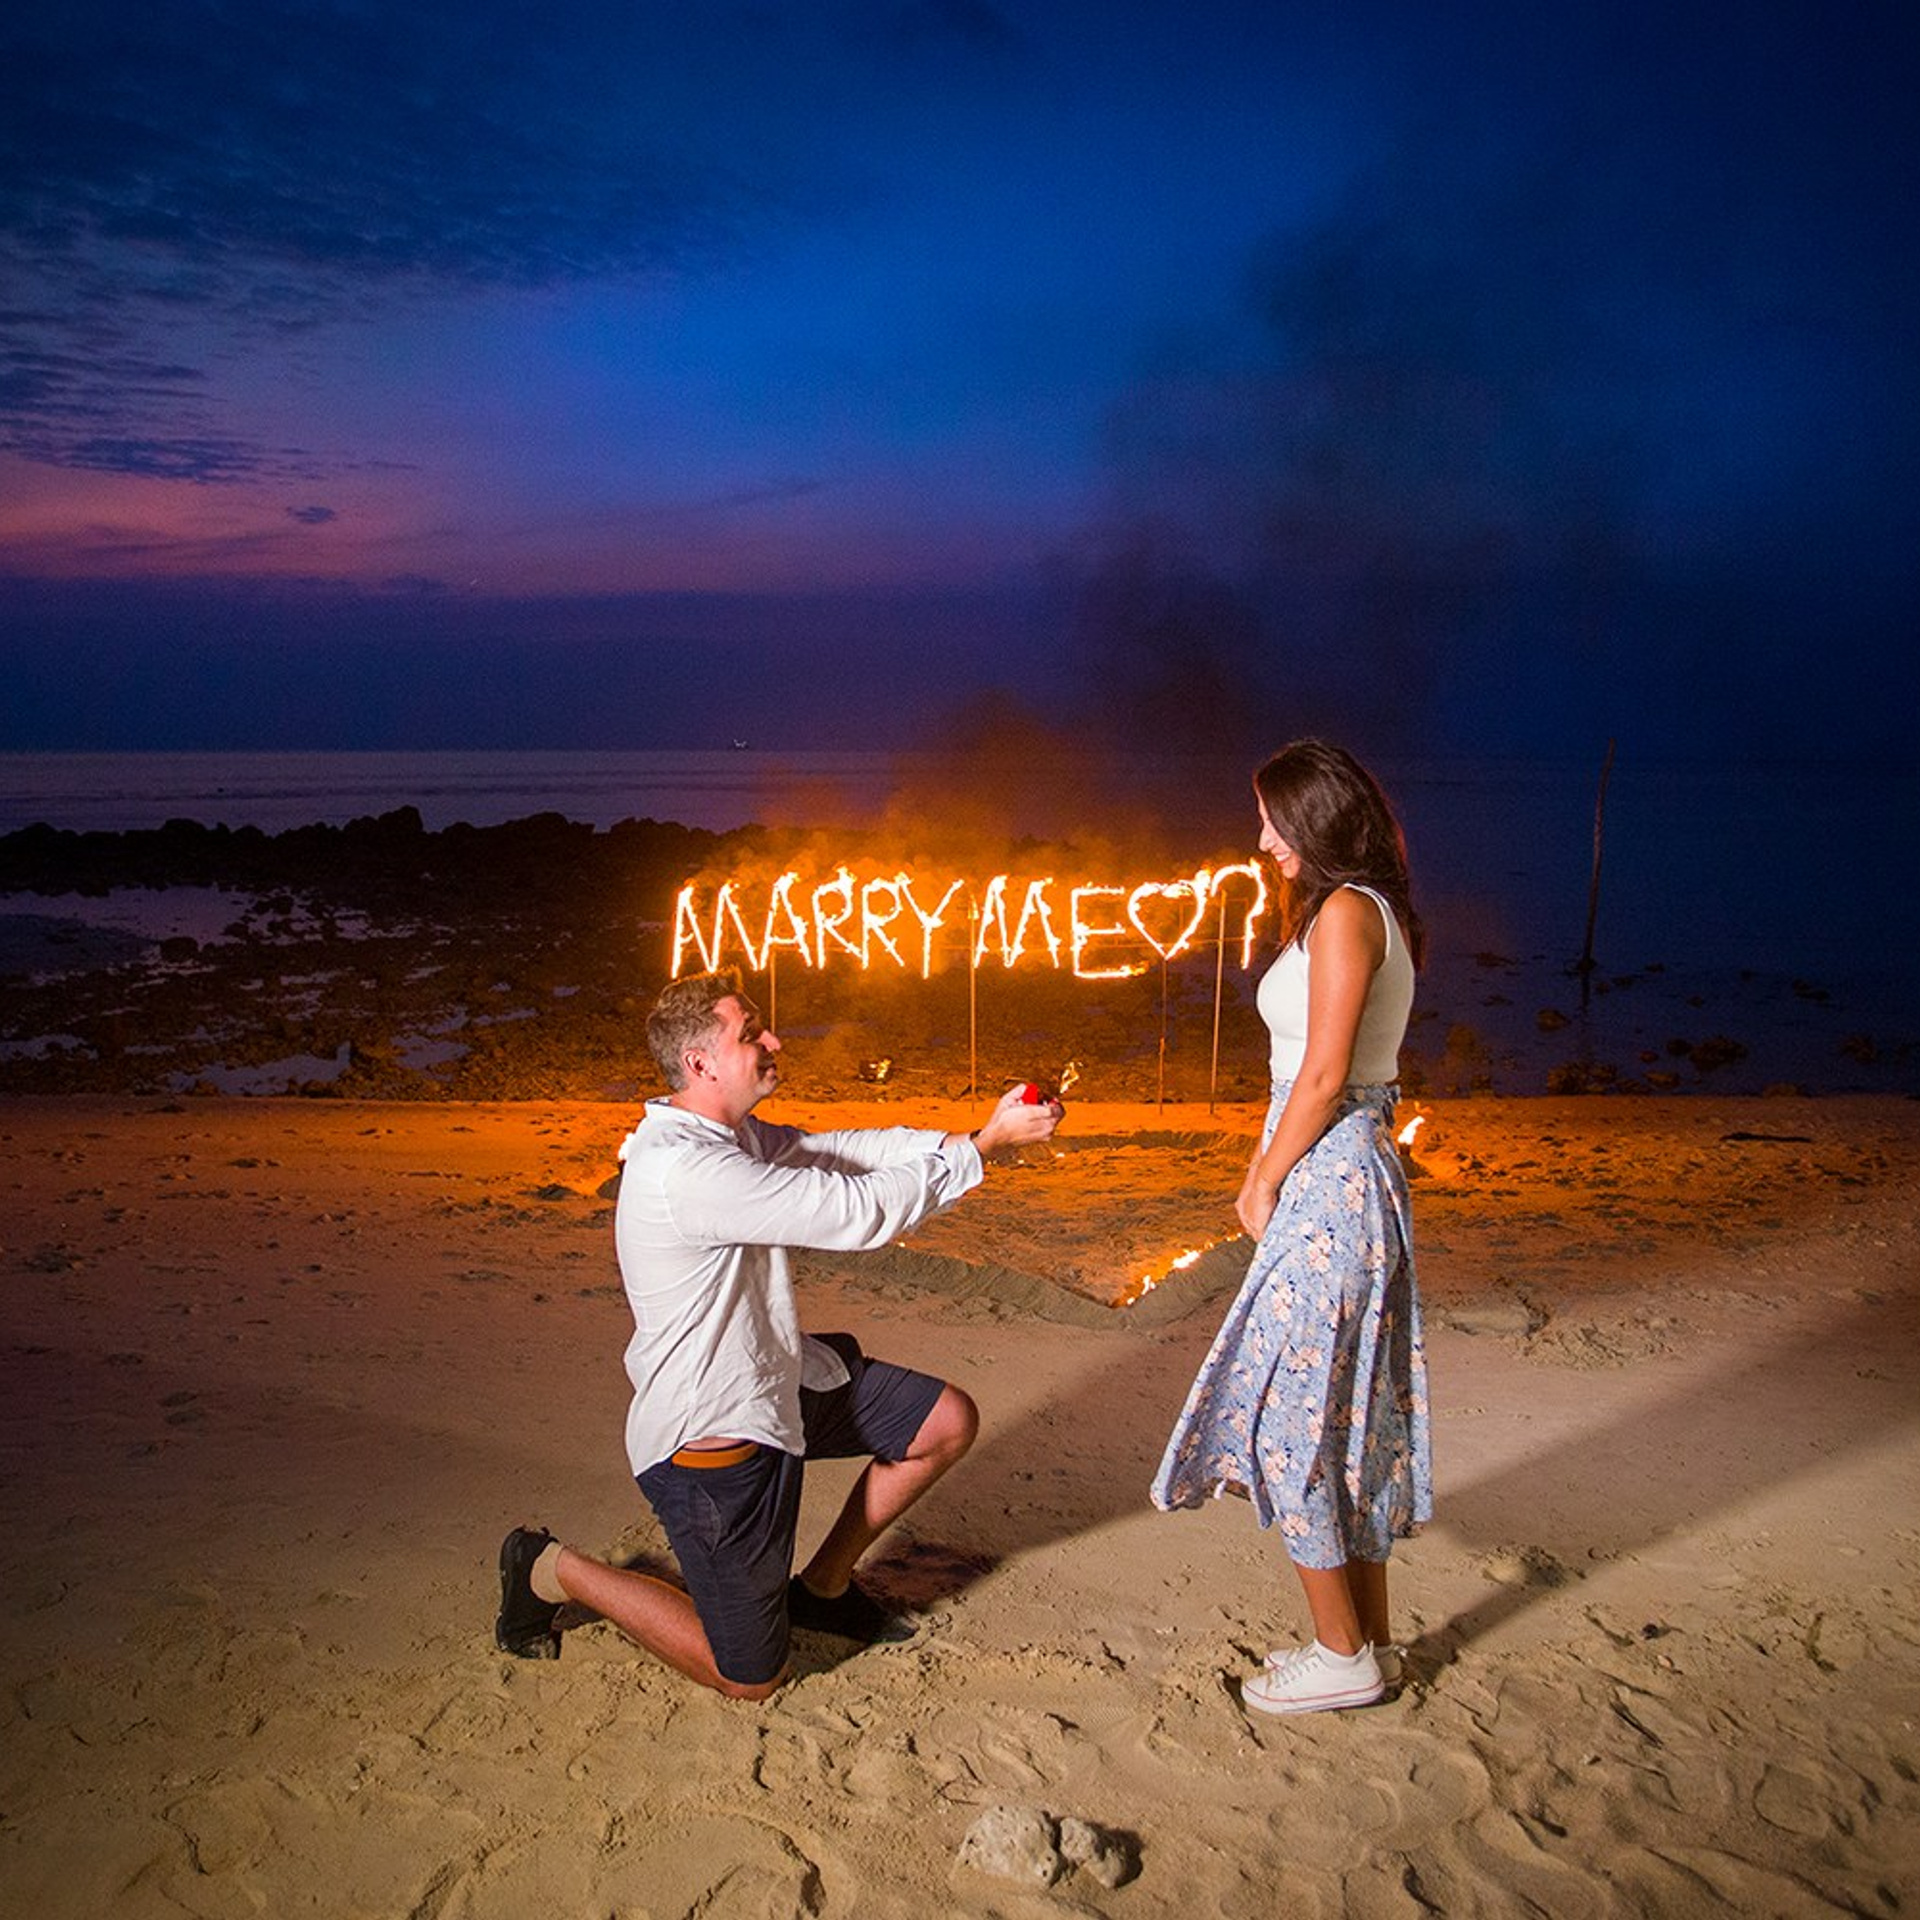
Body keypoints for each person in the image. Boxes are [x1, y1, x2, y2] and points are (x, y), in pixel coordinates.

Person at [495, 967, 1062, 1700]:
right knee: (751, 1679)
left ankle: (821, 1591)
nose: (774, 1040)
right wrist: (984, 1147)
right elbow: (853, 1212)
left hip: (778, 1379)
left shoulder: (731, 1136)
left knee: (944, 1421)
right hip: (716, 1433)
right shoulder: (685, 1169)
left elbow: (840, 1155)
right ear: (700, 1062)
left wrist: (973, 1137)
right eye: (749, 1031)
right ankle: (546, 1567)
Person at [1150, 739, 1432, 1715]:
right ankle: (1370, 1646)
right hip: (1334, 1170)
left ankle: (1342, 1654)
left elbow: (1324, 1072)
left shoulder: (1350, 913)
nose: (1259, 837)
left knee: (1289, 1423)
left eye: (1272, 819)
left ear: (1315, 820)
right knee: (1338, 1420)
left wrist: (1263, 1178)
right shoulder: (1355, 911)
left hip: (1331, 1180)